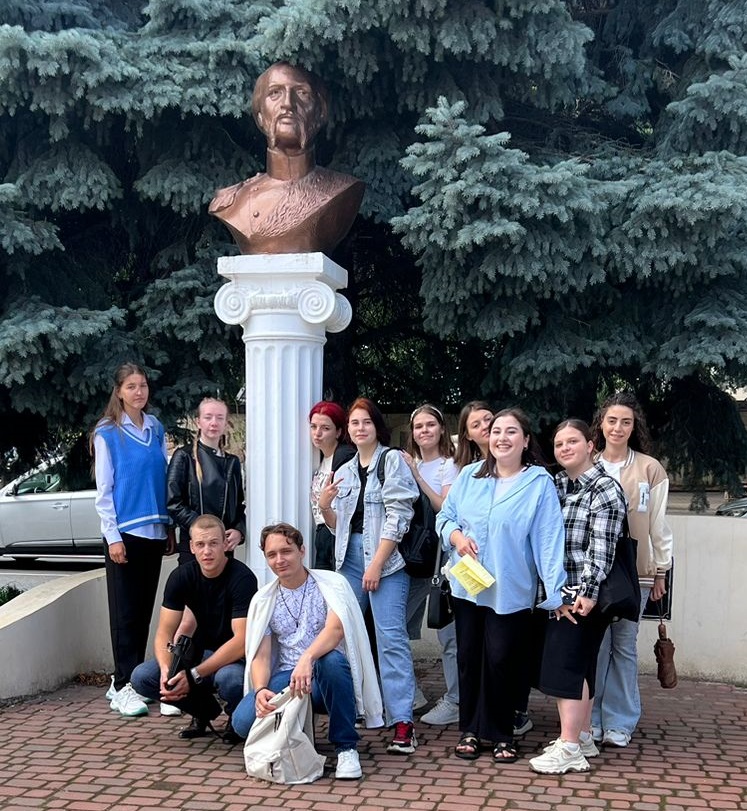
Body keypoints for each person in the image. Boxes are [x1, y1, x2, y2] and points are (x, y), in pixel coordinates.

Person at [437, 408, 567, 764]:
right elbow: (445, 517)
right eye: (496, 431)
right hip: (467, 585)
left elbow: (548, 539)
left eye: (511, 432)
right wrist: (457, 537)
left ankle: (501, 733)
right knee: (469, 657)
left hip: (511, 588)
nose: (502, 438)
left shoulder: (538, 483)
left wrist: (555, 591)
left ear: (525, 440)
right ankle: (470, 730)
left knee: (501, 659)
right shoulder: (469, 475)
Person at [233, 522, 383, 780]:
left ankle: (346, 747)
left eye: (286, 551)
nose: (279, 560)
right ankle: (298, 733)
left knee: (332, 661)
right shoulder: (264, 599)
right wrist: (260, 689)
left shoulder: (331, 585)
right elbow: (262, 654)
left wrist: (307, 658)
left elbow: (335, 630)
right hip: (287, 676)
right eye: (271, 554)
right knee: (242, 723)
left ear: (302, 551)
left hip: (327, 677)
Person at [318, 397, 420, 754]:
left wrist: (376, 564)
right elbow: (339, 527)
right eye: (354, 423)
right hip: (349, 561)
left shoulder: (391, 461)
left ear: (377, 426)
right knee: (342, 637)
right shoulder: (345, 470)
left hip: (386, 562)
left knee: (390, 639)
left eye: (366, 422)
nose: (360, 428)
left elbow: (399, 517)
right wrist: (325, 506)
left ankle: (402, 721)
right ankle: (361, 709)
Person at [529, 419, 626, 775]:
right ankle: (582, 737)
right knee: (581, 664)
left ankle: (569, 747)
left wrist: (586, 591)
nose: (565, 448)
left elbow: (601, 546)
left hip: (582, 594)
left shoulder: (604, 488)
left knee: (565, 665)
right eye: (559, 444)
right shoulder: (556, 484)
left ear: (590, 445)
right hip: (559, 591)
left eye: (572, 441)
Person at [209, 62, 365, 255]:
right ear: (260, 116)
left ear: (320, 114)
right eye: (275, 93)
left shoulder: (342, 190)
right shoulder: (230, 202)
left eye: (302, 93)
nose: (288, 104)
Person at [589, 392, 673, 747]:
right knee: (595, 647)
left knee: (623, 645)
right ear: (601, 424)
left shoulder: (650, 468)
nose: (618, 428)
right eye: (612, 420)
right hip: (593, 574)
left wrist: (661, 571)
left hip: (636, 572)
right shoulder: (587, 464)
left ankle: (620, 722)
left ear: (634, 426)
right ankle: (591, 719)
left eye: (626, 421)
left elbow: (659, 525)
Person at [131, 514, 258, 743]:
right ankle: (203, 712)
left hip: (235, 658)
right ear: (191, 547)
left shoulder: (242, 578)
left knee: (231, 680)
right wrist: (166, 670)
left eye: (213, 543)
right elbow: (163, 633)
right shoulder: (181, 577)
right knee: (142, 677)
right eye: (200, 544)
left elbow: (241, 641)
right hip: (197, 654)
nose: (207, 551)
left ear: (225, 544)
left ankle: (235, 718)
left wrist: (193, 675)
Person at [93, 362, 174, 717]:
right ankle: (122, 684)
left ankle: (131, 680)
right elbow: (104, 491)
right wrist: (112, 537)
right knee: (124, 613)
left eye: (142, 385)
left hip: (154, 531)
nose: (138, 392)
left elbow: (161, 479)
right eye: (131, 386)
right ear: (119, 392)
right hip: (124, 534)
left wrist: (169, 527)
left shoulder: (155, 428)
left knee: (142, 611)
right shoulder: (107, 432)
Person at [400, 404, 460, 725]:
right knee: (396, 627)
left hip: (441, 560)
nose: (424, 431)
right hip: (413, 559)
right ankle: (411, 693)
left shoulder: (449, 465)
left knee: (448, 633)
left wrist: (417, 476)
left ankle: (456, 699)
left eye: (430, 425)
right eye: (418, 426)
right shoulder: (412, 462)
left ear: (441, 428)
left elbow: (443, 508)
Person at [167, 397, 246, 565]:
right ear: (198, 422)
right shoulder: (184, 457)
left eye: (220, 417)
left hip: (224, 547)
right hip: (194, 546)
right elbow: (173, 503)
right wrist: (204, 530)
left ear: (226, 423)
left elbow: (239, 505)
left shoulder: (232, 462)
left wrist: (239, 531)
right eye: (208, 417)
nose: (214, 422)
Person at [309, 400, 355, 570]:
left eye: (325, 428)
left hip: (337, 534)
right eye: (313, 426)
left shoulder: (344, 457)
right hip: (322, 534)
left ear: (339, 432)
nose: (317, 433)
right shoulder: (319, 460)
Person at [453, 400, 493, 471]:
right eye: (476, 425)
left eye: (488, 419)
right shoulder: (470, 471)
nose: (485, 426)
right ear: (468, 435)